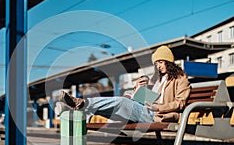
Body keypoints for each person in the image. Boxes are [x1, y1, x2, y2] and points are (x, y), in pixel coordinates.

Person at [55, 45, 191, 123]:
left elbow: (180, 103)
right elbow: (146, 98)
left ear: (169, 61)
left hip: (156, 115)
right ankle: (72, 111)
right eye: (156, 64)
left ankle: (81, 103)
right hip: (143, 109)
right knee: (112, 108)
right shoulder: (156, 80)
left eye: (161, 62)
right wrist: (136, 90)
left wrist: (158, 107)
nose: (158, 66)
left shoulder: (180, 79)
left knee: (119, 103)